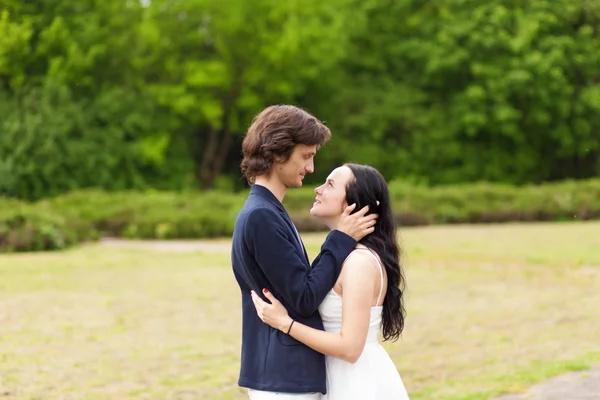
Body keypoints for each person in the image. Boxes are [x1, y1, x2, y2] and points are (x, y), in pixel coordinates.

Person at [231, 105, 379, 400]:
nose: (311, 168)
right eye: (306, 156)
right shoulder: (262, 216)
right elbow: (304, 297)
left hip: (283, 374)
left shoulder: (268, 211)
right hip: (282, 377)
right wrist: (340, 238)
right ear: (277, 153)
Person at [250, 163, 410, 400]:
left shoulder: (359, 263)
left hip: (355, 382)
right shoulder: (345, 255)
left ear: (353, 204)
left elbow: (350, 348)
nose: (318, 189)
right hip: (336, 375)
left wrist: (285, 323)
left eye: (330, 184)